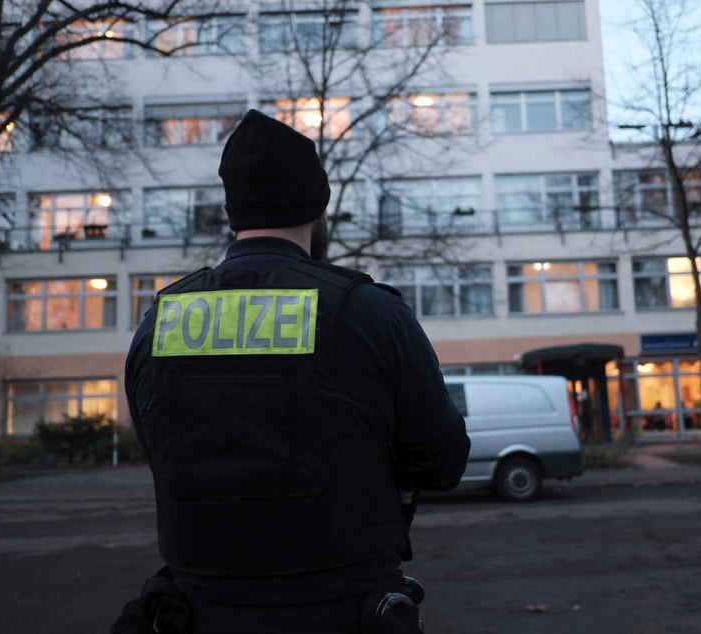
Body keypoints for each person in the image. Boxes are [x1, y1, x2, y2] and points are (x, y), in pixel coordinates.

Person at [121, 109, 471, 634]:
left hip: (197, 612)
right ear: (317, 207)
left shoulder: (160, 323)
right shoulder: (368, 313)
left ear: (232, 210)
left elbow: (159, 452)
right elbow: (443, 462)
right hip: (343, 608)